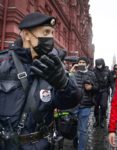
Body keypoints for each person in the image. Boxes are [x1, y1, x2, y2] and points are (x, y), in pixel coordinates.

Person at [0, 12, 81, 150]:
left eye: (52, 33)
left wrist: (64, 85)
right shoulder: (3, 63)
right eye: (46, 32)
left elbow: (70, 102)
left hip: (42, 144)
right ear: (26, 35)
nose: (50, 37)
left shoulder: (54, 65)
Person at [70, 56, 98, 150]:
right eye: (80, 62)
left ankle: (81, 148)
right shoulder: (74, 73)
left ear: (87, 64)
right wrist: (71, 71)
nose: (81, 64)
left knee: (83, 130)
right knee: (74, 127)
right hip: (74, 104)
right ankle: (75, 142)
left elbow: (97, 88)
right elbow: (66, 85)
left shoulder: (91, 74)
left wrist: (92, 88)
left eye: (83, 62)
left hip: (86, 105)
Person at [93, 58, 114, 128]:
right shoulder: (93, 71)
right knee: (96, 106)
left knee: (103, 106)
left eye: (100, 64)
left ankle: (102, 120)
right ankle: (96, 120)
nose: (99, 66)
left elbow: (111, 82)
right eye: (98, 64)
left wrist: (113, 90)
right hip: (96, 91)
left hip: (104, 90)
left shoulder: (108, 71)